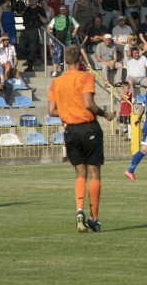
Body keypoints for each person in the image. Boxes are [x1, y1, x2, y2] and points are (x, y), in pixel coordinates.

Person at [48, 45, 115, 233]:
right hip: (89, 128)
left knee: (80, 174)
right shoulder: (86, 77)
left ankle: (79, 209)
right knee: (94, 174)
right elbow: (88, 103)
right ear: (80, 60)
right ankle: (94, 219)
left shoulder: (56, 82)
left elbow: (51, 111)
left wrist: (69, 111)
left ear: (65, 61)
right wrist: (105, 114)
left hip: (70, 131)